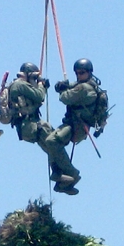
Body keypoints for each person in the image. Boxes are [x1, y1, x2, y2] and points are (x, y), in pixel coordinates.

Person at [41, 58, 100, 196]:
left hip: (76, 126)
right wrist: (64, 85)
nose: (79, 75)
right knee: (51, 141)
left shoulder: (84, 88)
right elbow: (73, 86)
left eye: (82, 73)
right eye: (77, 73)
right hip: (77, 125)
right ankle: (61, 177)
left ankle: (72, 173)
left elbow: (65, 98)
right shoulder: (91, 85)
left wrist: (62, 90)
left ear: (89, 72)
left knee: (51, 141)